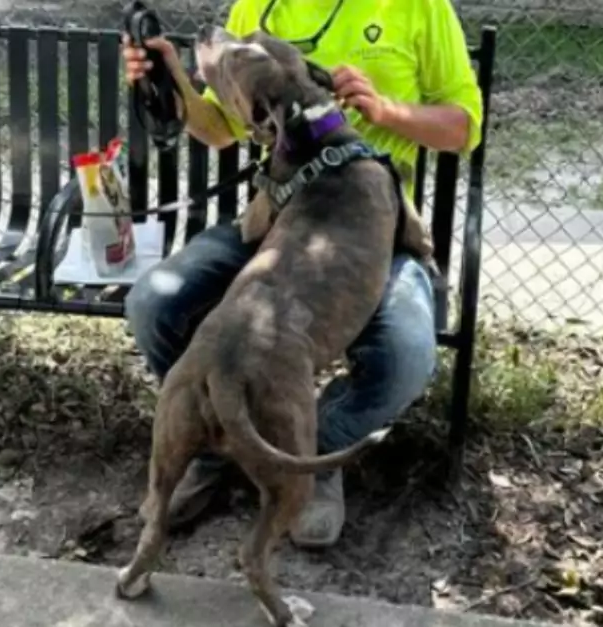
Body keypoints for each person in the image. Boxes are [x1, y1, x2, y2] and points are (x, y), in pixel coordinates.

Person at [120, 0, 483, 549]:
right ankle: (218, 435)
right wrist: (173, 80)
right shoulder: (258, 7)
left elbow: (463, 126)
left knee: (405, 356)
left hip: (368, 238)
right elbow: (221, 128)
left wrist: (385, 111)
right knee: (154, 305)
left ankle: (310, 452)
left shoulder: (419, 7)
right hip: (277, 225)